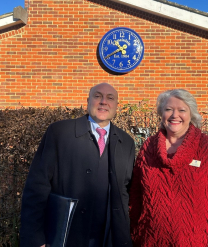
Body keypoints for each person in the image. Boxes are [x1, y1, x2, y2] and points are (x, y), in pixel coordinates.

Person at [20, 83, 135, 247]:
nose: (103, 101)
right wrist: (35, 239)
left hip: (107, 239)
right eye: (97, 96)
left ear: (116, 105)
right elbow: (37, 187)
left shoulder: (126, 142)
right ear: (88, 101)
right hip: (64, 237)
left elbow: (125, 193)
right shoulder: (59, 132)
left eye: (110, 98)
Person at [129, 89, 208, 247]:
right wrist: (135, 233)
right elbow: (135, 196)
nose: (175, 115)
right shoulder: (148, 148)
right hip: (151, 241)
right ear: (161, 114)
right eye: (169, 109)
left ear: (191, 115)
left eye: (182, 110)